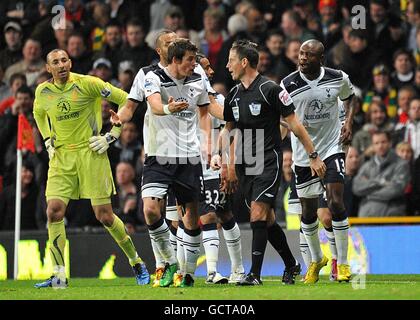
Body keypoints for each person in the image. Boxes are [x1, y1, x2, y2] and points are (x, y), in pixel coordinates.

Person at [211, 39, 326, 286]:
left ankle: (254, 274)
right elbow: (228, 130)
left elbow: (295, 124)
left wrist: (313, 156)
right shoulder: (233, 94)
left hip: (267, 160)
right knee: (268, 220)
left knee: (258, 214)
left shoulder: (271, 90)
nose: (227, 66)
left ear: (244, 62)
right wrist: (225, 163)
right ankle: (291, 264)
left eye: (231, 61)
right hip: (244, 164)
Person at [32, 49, 150, 288]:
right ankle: (59, 274)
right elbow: (38, 113)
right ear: (48, 68)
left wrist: (112, 134)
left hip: (91, 154)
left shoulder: (88, 84)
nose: (61, 64)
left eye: (64, 60)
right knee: (53, 211)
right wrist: (46, 139)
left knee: (104, 216)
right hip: (61, 157)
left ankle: (136, 261)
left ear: (70, 62)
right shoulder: (43, 91)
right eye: (56, 62)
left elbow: (127, 99)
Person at [112, 38, 221, 287]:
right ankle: (170, 262)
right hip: (159, 154)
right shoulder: (150, 75)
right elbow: (150, 105)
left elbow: (205, 111)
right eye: (191, 60)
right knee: (150, 209)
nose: (195, 65)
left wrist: (207, 144)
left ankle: (188, 274)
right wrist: (121, 118)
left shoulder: (198, 75)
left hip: (189, 157)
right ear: (173, 58)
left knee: (192, 218)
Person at [280, 39, 356, 284]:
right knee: (308, 213)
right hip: (303, 155)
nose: (302, 58)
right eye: (301, 53)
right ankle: (316, 259)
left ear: (321, 59)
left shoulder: (337, 77)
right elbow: (284, 116)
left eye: (308, 55)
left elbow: (350, 97)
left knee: (335, 202)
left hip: (332, 147)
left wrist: (349, 122)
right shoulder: (288, 84)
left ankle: (343, 264)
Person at [196, 53, 245, 285]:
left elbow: (232, 132)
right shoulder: (181, 97)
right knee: (179, 219)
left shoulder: (220, 100)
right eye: (206, 67)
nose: (212, 71)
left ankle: (232, 269)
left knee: (218, 214)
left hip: (214, 167)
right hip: (186, 166)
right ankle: (180, 271)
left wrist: (228, 164)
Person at [353, 131, 411, 217]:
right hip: (366, 219)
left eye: (383, 142)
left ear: (390, 143)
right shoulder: (366, 165)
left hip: (391, 219)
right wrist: (380, 182)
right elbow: (356, 187)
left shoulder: (401, 164)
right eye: (376, 143)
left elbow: (395, 190)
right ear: (373, 146)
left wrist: (368, 194)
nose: (380, 146)